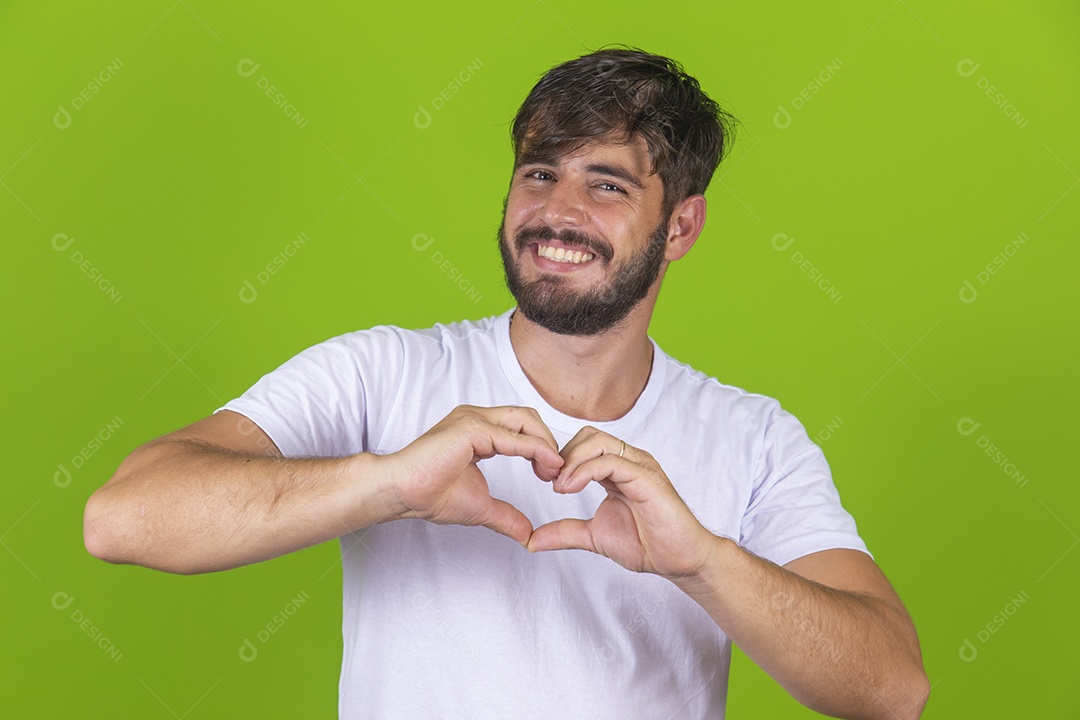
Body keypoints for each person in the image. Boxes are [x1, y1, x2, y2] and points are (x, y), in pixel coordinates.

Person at [84, 47, 929, 719]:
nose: (557, 211)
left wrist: (700, 561)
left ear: (680, 226)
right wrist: (389, 483)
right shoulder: (383, 372)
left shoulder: (754, 437)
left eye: (606, 184)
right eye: (539, 172)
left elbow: (891, 689)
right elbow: (124, 519)